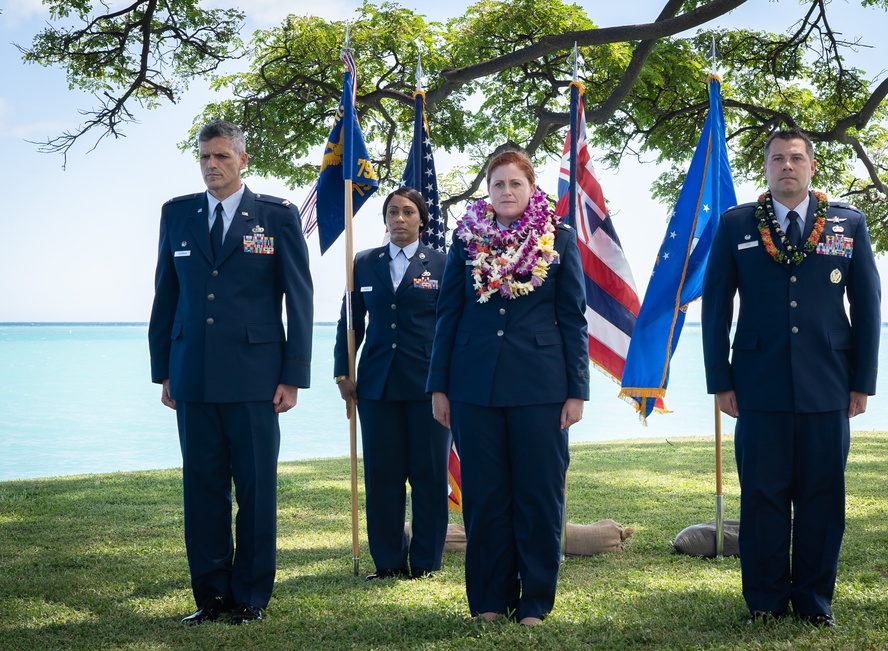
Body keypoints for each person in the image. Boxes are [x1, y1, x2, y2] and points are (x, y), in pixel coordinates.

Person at [701, 127, 881, 627]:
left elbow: (867, 306)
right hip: (757, 385)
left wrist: (862, 380)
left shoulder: (849, 223)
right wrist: (721, 380)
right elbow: (717, 309)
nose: (787, 166)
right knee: (762, 495)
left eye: (796, 158)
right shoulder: (736, 224)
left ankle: (813, 602)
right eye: (777, 159)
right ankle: (764, 599)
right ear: (765, 167)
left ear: (811, 166)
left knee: (823, 497)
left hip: (829, 384)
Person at [148, 119, 314, 626]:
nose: (211, 166)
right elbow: (166, 295)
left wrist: (293, 375)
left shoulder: (276, 216)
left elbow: (299, 300)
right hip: (192, 375)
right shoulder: (177, 216)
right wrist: (163, 370)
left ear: (243, 160)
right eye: (204, 157)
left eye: (221, 156)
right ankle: (211, 595)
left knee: (256, 489)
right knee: (202, 491)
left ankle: (251, 596)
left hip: (256, 378)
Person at [427, 150, 589, 625]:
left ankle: (535, 603)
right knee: (484, 498)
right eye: (498, 184)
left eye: (515, 184)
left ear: (531, 188)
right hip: (473, 387)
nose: (506, 193)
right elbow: (448, 315)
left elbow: (575, 319)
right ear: (489, 191)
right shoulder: (464, 239)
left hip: (542, 387)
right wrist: (439, 386)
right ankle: (488, 602)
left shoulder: (558, 237)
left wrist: (577, 390)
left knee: (538, 498)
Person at [334, 187, 451, 581]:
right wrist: (342, 371)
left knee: (429, 477)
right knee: (382, 478)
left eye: (407, 212)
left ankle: (425, 562)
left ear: (421, 219)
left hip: (427, 387)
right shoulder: (364, 263)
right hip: (377, 387)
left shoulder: (443, 263)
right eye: (392, 212)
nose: (399, 219)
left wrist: (449, 382)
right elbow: (350, 323)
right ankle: (387, 561)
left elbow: (453, 327)